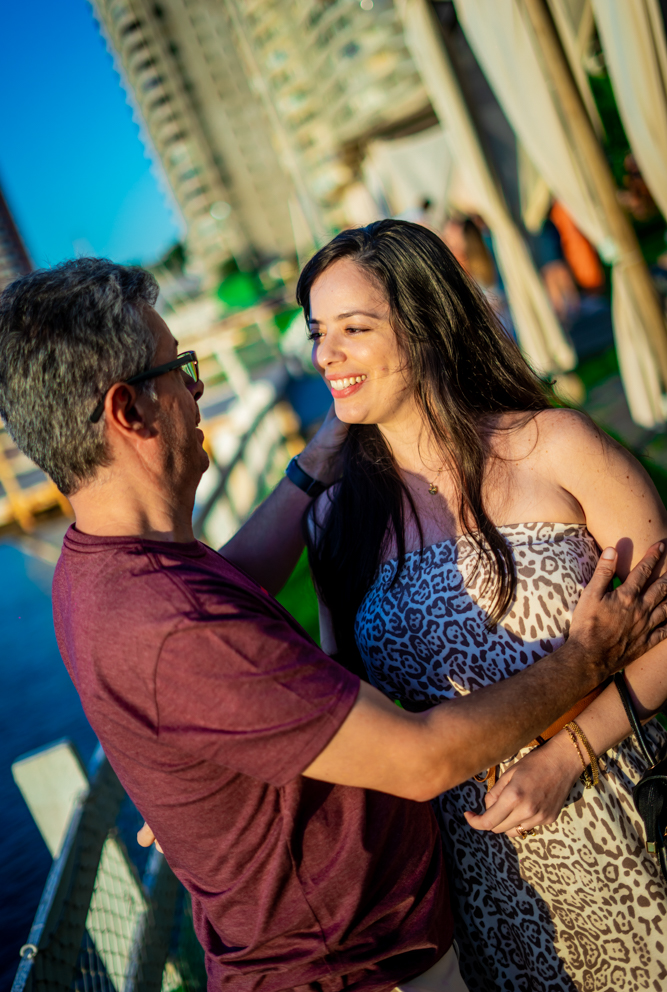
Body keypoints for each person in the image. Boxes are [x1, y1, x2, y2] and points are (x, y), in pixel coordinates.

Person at [0, 259, 665, 992]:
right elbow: (420, 759)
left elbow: (238, 580)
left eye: (352, 328)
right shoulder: (178, 615)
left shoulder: (122, 569)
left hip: (581, 849)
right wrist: (584, 657)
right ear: (128, 412)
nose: (196, 388)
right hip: (360, 964)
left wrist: (200, 793)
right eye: (180, 370)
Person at [299, 220, 667, 992]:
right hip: (483, 875)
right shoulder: (337, 520)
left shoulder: (555, 446)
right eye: (317, 332)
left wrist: (570, 755)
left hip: (631, 815)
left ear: (427, 323)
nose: (325, 355)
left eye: (353, 329)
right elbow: (341, 705)